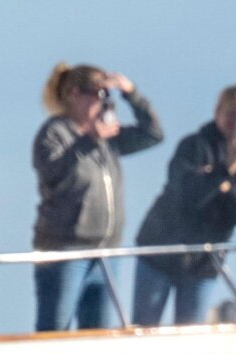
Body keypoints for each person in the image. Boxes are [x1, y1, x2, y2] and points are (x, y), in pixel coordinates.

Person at [31, 63, 163, 332]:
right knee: (54, 333)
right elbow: (52, 172)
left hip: (106, 255)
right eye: (99, 94)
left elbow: (153, 134)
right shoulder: (54, 133)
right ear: (74, 94)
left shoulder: (108, 139)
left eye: (108, 95)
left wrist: (131, 93)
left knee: (98, 337)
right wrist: (87, 141)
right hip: (65, 254)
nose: (105, 102)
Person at [133, 85, 236, 326]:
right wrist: (226, 170)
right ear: (217, 113)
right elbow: (186, 195)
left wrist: (231, 190)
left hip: (203, 266)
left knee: (191, 337)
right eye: (230, 113)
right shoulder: (193, 147)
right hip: (160, 254)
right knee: (144, 330)